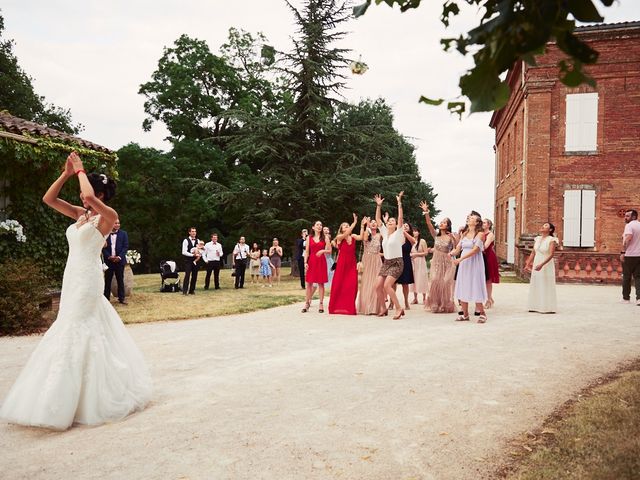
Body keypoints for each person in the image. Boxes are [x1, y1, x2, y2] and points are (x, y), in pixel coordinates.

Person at [0, 152, 151, 430]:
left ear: (102, 193)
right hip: (73, 276)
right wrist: (66, 174)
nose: (84, 198)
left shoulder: (107, 216)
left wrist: (81, 172)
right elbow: (49, 199)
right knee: (67, 325)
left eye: (91, 192)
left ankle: (86, 397)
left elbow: (90, 198)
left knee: (79, 326)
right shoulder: (81, 215)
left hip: (89, 279)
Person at [374, 192, 407, 320]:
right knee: (377, 286)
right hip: (386, 262)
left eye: (392, 221)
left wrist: (399, 203)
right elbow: (377, 220)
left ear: (395, 225)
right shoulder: (384, 232)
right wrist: (378, 206)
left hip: (397, 262)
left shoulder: (398, 233)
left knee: (387, 286)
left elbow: (400, 218)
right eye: (389, 221)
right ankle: (383, 308)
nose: (390, 222)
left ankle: (399, 308)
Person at [420, 201, 457, 313]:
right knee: (435, 280)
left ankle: (445, 303)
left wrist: (454, 239)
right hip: (436, 262)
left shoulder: (451, 237)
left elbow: (456, 249)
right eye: (441, 222)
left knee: (445, 282)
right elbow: (429, 224)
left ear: (448, 226)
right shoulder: (436, 235)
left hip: (447, 262)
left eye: (444, 222)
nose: (441, 223)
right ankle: (435, 302)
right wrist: (426, 212)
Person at [450, 213, 488, 323]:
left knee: (475, 284)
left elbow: (476, 249)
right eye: (469, 218)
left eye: (472, 218)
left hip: (475, 262)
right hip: (464, 264)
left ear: (476, 222)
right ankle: (465, 314)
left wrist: (460, 259)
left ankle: (482, 313)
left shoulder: (480, 234)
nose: (469, 219)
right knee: (463, 285)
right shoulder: (465, 233)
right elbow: (458, 248)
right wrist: (452, 253)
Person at [328, 214, 363, 315]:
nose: (347, 227)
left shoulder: (352, 236)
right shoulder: (339, 237)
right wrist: (354, 223)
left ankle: (349, 307)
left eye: (348, 225)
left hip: (351, 263)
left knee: (352, 284)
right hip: (342, 264)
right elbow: (346, 233)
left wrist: (361, 225)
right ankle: (336, 306)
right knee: (339, 284)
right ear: (341, 229)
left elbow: (360, 237)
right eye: (345, 226)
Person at [525, 222, 559, 313]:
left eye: (546, 226)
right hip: (537, 261)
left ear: (550, 229)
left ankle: (547, 307)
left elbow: (551, 254)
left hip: (546, 264)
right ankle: (534, 306)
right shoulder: (538, 239)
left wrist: (542, 265)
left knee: (545, 283)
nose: (543, 227)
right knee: (536, 283)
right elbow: (533, 252)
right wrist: (528, 264)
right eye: (543, 225)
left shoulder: (552, 240)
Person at [357, 217, 384, 315]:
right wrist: (366, 226)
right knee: (366, 282)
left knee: (376, 283)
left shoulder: (380, 235)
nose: (373, 223)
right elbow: (364, 238)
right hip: (367, 260)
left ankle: (376, 307)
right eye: (371, 222)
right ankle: (367, 306)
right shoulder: (366, 233)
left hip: (377, 260)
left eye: (375, 222)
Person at [302, 221, 330, 313]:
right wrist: (305, 262)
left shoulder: (325, 238)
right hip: (312, 261)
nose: (319, 226)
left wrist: (322, 251)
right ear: (313, 227)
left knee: (321, 283)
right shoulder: (309, 238)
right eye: (317, 225)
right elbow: (307, 252)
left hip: (321, 261)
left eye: (321, 225)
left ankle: (321, 304)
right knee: (309, 283)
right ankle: (307, 303)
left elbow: (329, 250)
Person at [102, 217, 129, 305]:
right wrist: (109, 256)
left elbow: (125, 246)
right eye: (115, 223)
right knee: (108, 280)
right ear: (111, 224)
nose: (117, 225)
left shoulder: (124, 234)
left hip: (119, 261)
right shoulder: (105, 234)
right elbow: (103, 247)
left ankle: (122, 298)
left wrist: (119, 257)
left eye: (118, 223)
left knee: (120, 280)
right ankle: (106, 299)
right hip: (109, 261)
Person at [621, 209, 640, 305]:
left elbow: (628, 238)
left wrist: (623, 252)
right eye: (625, 215)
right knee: (638, 277)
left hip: (629, 255)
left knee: (626, 277)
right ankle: (639, 299)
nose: (625, 217)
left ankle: (626, 298)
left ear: (633, 217)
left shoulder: (629, 226)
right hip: (639, 255)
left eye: (627, 216)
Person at [396, 222, 417, 309]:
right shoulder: (397, 237)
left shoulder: (410, 239)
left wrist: (404, 232)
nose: (405, 226)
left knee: (405, 283)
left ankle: (406, 302)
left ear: (409, 228)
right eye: (403, 225)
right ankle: (392, 302)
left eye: (407, 226)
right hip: (396, 261)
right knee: (393, 283)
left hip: (406, 261)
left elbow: (414, 241)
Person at [482, 218, 500, 308]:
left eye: (484, 223)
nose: (482, 224)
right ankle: (490, 298)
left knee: (488, 280)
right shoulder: (480, 234)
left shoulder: (490, 234)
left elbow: (485, 246)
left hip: (489, 257)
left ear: (488, 225)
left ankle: (488, 300)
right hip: (482, 257)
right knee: (483, 279)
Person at [410, 226, 429, 305]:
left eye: (416, 231)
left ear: (419, 232)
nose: (414, 232)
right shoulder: (411, 241)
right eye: (413, 231)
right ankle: (415, 298)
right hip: (413, 262)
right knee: (414, 279)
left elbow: (426, 253)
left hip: (421, 262)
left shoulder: (422, 241)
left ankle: (424, 298)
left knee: (422, 278)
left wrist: (416, 254)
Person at [181, 226, 200, 295]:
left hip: (196, 261)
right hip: (188, 260)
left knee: (195, 275)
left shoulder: (198, 240)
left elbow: (200, 249)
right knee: (187, 275)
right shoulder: (186, 240)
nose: (194, 233)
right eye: (192, 231)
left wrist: (199, 253)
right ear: (189, 232)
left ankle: (192, 290)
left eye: (195, 231)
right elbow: (184, 252)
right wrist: (192, 255)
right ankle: (185, 291)